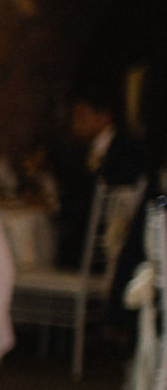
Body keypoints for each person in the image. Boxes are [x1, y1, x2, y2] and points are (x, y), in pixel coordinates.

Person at [54, 89, 151, 271]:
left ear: (104, 117)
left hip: (109, 241)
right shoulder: (82, 151)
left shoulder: (126, 149)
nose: (76, 122)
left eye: (83, 114)